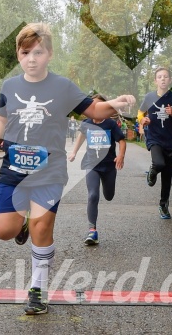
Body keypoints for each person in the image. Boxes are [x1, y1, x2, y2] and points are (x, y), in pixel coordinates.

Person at [0, 22, 135, 315]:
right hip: (14, 167)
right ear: (18, 55)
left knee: (43, 226)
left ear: (49, 54)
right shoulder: (9, 86)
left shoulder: (63, 86)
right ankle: (22, 223)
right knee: (3, 230)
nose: (32, 58)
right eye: (26, 52)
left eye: (38, 52)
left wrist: (114, 103)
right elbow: (1, 118)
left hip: (49, 169)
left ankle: (38, 289)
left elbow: (93, 110)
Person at [67, 94, 126, 245]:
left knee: (109, 195)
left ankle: (108, 190)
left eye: (100, 106)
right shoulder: (86, 123)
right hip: (91, 164)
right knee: (93, 195)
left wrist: (120, 156)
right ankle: (92, 230)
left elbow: (121, 141)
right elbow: (81, 136)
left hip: (109, 166)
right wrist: (74, 152)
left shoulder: (110, 125)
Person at [138, 67, 172, 220]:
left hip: (170, 141)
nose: (163, 79)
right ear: (155, 80)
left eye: (165, 76)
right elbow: (140, 113)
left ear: (170, 79)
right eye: (160, 77)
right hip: (154, 138)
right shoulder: (149, 97)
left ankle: (163, 205)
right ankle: (153, 171)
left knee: (167, 177)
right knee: (159, 163)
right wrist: (142, 120)